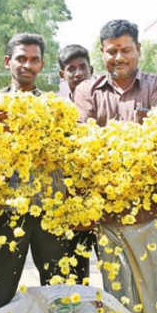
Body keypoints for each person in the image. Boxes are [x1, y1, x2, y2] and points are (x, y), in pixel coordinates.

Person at [74, 20, 157, 313]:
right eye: (112, 51)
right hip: (108, 218)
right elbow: (82, 143)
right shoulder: (87, 91)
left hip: (153, 212)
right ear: (102, 53)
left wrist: (106, 140)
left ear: (138, 50)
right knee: (120, 299)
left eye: (126, 50)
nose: (119, 57)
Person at [0, 33, 72, 313]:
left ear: (42, 66)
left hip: (51, 211)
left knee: (57, 289)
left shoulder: (57, 107)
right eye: (21, 58)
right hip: (6, 212)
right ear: (7, 62)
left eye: (34, 60)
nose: (27, 65)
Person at [58, 44, 96, 284]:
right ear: (62, 75)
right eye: (71, 69)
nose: (78, 73)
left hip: (105, 206)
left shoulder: (103, 98)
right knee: (76, 276)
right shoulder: (55, 107)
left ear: (91, 69)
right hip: (69, 210)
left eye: (82, 67)